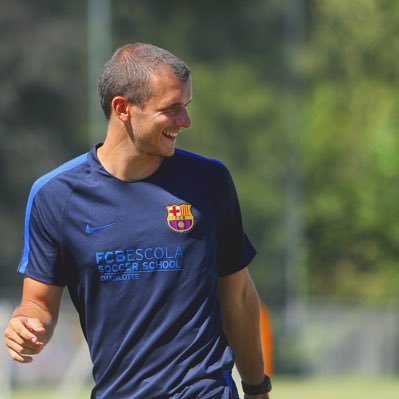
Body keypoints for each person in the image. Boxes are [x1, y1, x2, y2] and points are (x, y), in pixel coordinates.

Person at [4, 43, 271, 399]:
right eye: (171, 109)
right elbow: (38, 301)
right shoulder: (55, 196)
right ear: (122, 109)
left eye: (186, 106)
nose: (185, 121)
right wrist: (27, 323)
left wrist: (257, 388)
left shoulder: (209, 182)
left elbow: (237, 296)